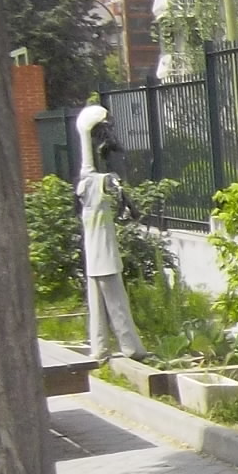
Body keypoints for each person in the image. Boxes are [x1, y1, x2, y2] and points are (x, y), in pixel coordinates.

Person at [73, 105, 147, 361]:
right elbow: (113, 185)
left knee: (97, 307)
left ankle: (100, 349)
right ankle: (132, 348)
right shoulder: (97, 182)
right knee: (117, 305)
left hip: (95, 257)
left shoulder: (87, 183)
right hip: (103, 256)